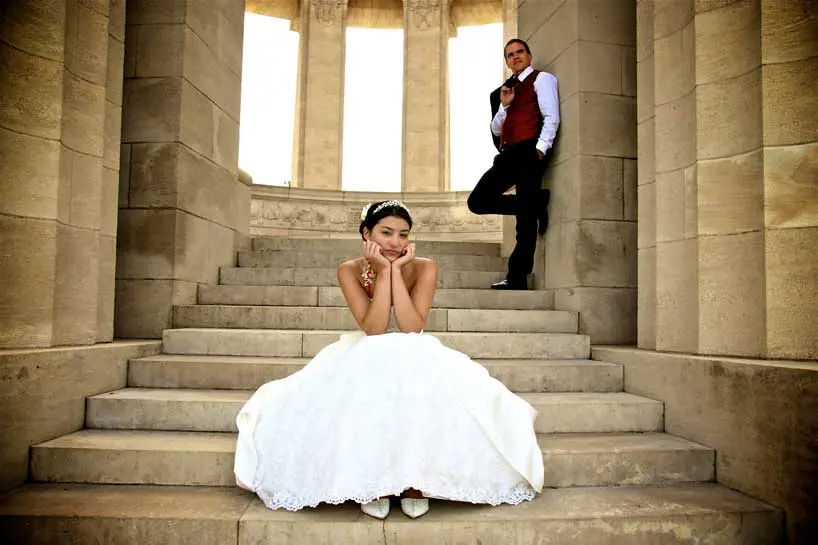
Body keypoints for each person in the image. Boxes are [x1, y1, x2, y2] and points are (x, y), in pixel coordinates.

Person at [234, 200, 544, 520]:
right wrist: (383, 272)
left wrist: (395, 272)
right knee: (375, 372)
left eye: (403, 234)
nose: (396, 242)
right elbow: (375, 328)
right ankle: (374, 480)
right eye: (386, 233)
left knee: (413, 365)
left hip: (414, 351)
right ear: (367, 233)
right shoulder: (348, 270)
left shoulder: (425, 267)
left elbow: (412, 327)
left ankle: (414, 481)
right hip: (369, 350)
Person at [467, 38, 560, 290]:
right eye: (510, 54)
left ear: (529, 55)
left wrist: (540, 150)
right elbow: (496, 130)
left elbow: (551, 116)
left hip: (530, 151)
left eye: (520, 52)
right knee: (477, 201)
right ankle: (536, 202)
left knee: (525, 223)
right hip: (508, 154)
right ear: (506, 61)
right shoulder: (502, 92)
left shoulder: (542, 79)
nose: (516, 56)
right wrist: (504, 106)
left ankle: (517, 277)